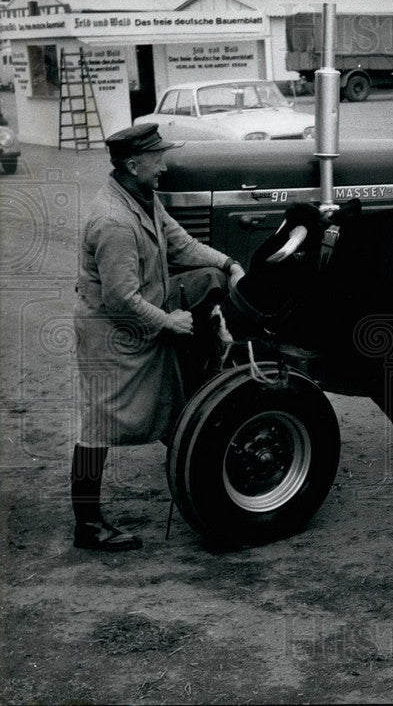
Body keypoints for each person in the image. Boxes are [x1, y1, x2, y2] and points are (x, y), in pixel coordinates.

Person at [72, 123, 245, 551]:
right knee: (99, 424)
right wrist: (168, 322)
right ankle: (88, 526)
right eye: (157, 158)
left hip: (135, 317)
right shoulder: (113, 221)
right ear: (133, 164)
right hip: (111, 331)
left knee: (173, 397)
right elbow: (120, 298)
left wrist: (228, 263)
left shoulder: (142, 198)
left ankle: (204, 482)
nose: (164, 165)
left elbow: (181, 244)